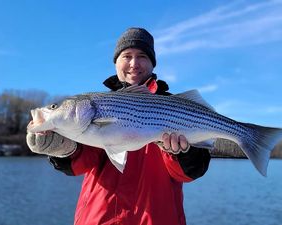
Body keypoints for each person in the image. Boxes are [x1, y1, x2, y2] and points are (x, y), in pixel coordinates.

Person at [26, 27, 211, 225]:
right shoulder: (97, 106)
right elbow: (82, 163)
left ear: (152, 63)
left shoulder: (173, 105)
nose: (134, 63)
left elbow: (190, 173)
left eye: (142, 56)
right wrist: (63, 148)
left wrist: (182, 152)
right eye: (126, 56)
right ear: (116, 63)